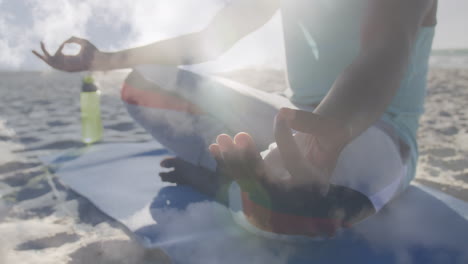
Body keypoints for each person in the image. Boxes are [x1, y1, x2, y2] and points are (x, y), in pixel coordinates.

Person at [33, 0, 438, 237]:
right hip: (289, 115)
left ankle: (223, 182)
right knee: (143, 84)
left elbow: (386, 49)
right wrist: (104, 60)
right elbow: (211, 39)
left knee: (313, 209)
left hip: (371, 126)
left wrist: (332, 131)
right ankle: (250, 175)